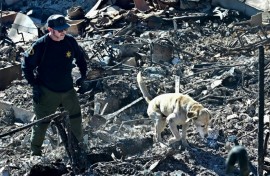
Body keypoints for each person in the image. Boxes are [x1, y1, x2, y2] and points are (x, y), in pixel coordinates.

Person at [21, 14, 87, 156]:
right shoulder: (40, 45)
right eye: (59, 30)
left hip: (68, 89)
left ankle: (79, 148)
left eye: (65, 29)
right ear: (50, 29)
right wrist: (34, 85)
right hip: (47, 91)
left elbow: (81, 58)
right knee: (42, 123)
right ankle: (35, 153)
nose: (63, 32)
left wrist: (83, 76)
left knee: (75, 117)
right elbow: (26, 66)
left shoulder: (70, 42)